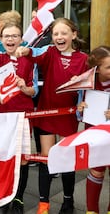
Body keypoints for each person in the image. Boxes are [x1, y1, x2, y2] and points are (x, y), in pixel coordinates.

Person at [15, 17, 88, 214]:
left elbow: (90, 86)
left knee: (66, 159)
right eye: (56, 34)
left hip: (68, 116)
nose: (59, 37)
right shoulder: (50, 53)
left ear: (74, 35)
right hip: (47, 113)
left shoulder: (84, 59)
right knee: (46, 159)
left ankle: (68, 201)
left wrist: (83, 100)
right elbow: (34, 58)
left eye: (64, 33)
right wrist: (26, 51)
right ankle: (43, 204)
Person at [0, 20, 37, 214]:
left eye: (14, 36)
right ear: (1, 39)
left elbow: (33, 91)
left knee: (23, 159)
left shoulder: (30, 60)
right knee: (5, 157)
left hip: (24, 115)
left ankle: (18, 198)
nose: (11, 39)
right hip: (2, 117)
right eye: (7, 36)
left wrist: (23, 87)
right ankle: (3, 197)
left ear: (21, 39)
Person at [77, 45, 110, 214]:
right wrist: (81, 109)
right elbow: (78, 112)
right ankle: (92, 210)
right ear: (96, 69)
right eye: (109, 67)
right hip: (95, 134)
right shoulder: (87, 84)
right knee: (96, 171)